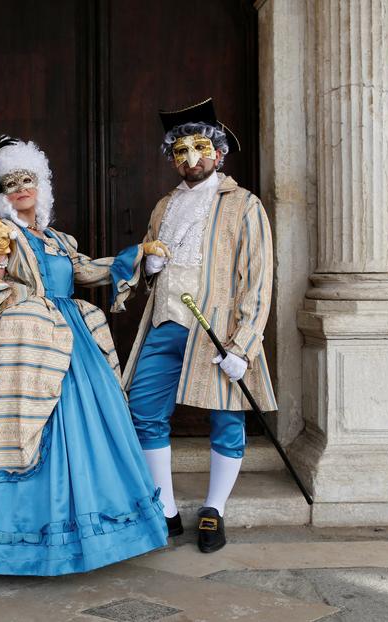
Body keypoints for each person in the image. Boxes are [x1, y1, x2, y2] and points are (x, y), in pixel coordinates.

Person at [0, 135, 171, 576]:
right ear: (1, 194)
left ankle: (98, 535)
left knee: (93, 425)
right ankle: (20, 544)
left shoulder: (56, 238)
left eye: (26, 180)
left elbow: (86, 270)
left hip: (75, 341)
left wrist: (136, 256)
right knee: (28, 428)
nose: (19, 189)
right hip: (27, 348)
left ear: (41, 186)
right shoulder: (1, 235)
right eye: (9, 183)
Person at [122, 99, 276, 553]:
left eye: (200, 147)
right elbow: (151, 272)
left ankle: (214, 510)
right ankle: (165, 510)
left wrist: (244, 346)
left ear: (219, 152)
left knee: (227, 420)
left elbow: (258, 280)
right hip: (166, 323)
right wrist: (146, 266)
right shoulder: (163, 206)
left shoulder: (244, 205)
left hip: (218, 333)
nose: (191, 158)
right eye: (180, 150)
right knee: (144, 412)